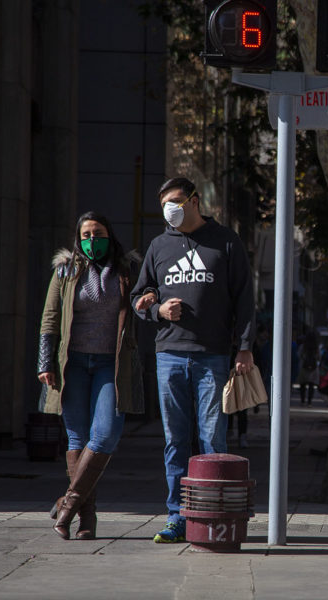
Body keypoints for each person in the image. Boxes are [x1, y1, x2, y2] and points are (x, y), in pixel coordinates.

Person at [131, 177, 255, 544]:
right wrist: (157, 311)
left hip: (212, 358)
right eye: (165, 203)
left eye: (176, 200)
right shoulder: (158, 247)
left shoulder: (226, 241)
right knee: (175, 441)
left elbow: (245, 299)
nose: (170, 207)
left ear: (194, 201)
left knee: (212, 438)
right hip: (168, 355)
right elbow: (140, 298)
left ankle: (214, 515)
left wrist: (244, 347)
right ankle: (177, 517)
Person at [37, 212, 143, 540]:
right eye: (86, 234)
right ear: (77, 238)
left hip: (111, 366)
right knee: (77, 439)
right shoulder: (66, 270)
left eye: (98, 233)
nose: (92, 240)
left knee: (105, 434)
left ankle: (67, 504)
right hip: (73, 365)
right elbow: (50, 318)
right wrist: (45, 363)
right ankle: (87, 519)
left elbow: (139, 304)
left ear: (110, 236)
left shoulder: (126, 270)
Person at [297, 332, 319, 405]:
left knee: (302, 385)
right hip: (313, 368)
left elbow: (298, 355)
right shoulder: (316, 347)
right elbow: (319, 357)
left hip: (303, 367)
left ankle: (302, 401)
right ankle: (309, 402)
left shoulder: (303, 346)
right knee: (311, 385)